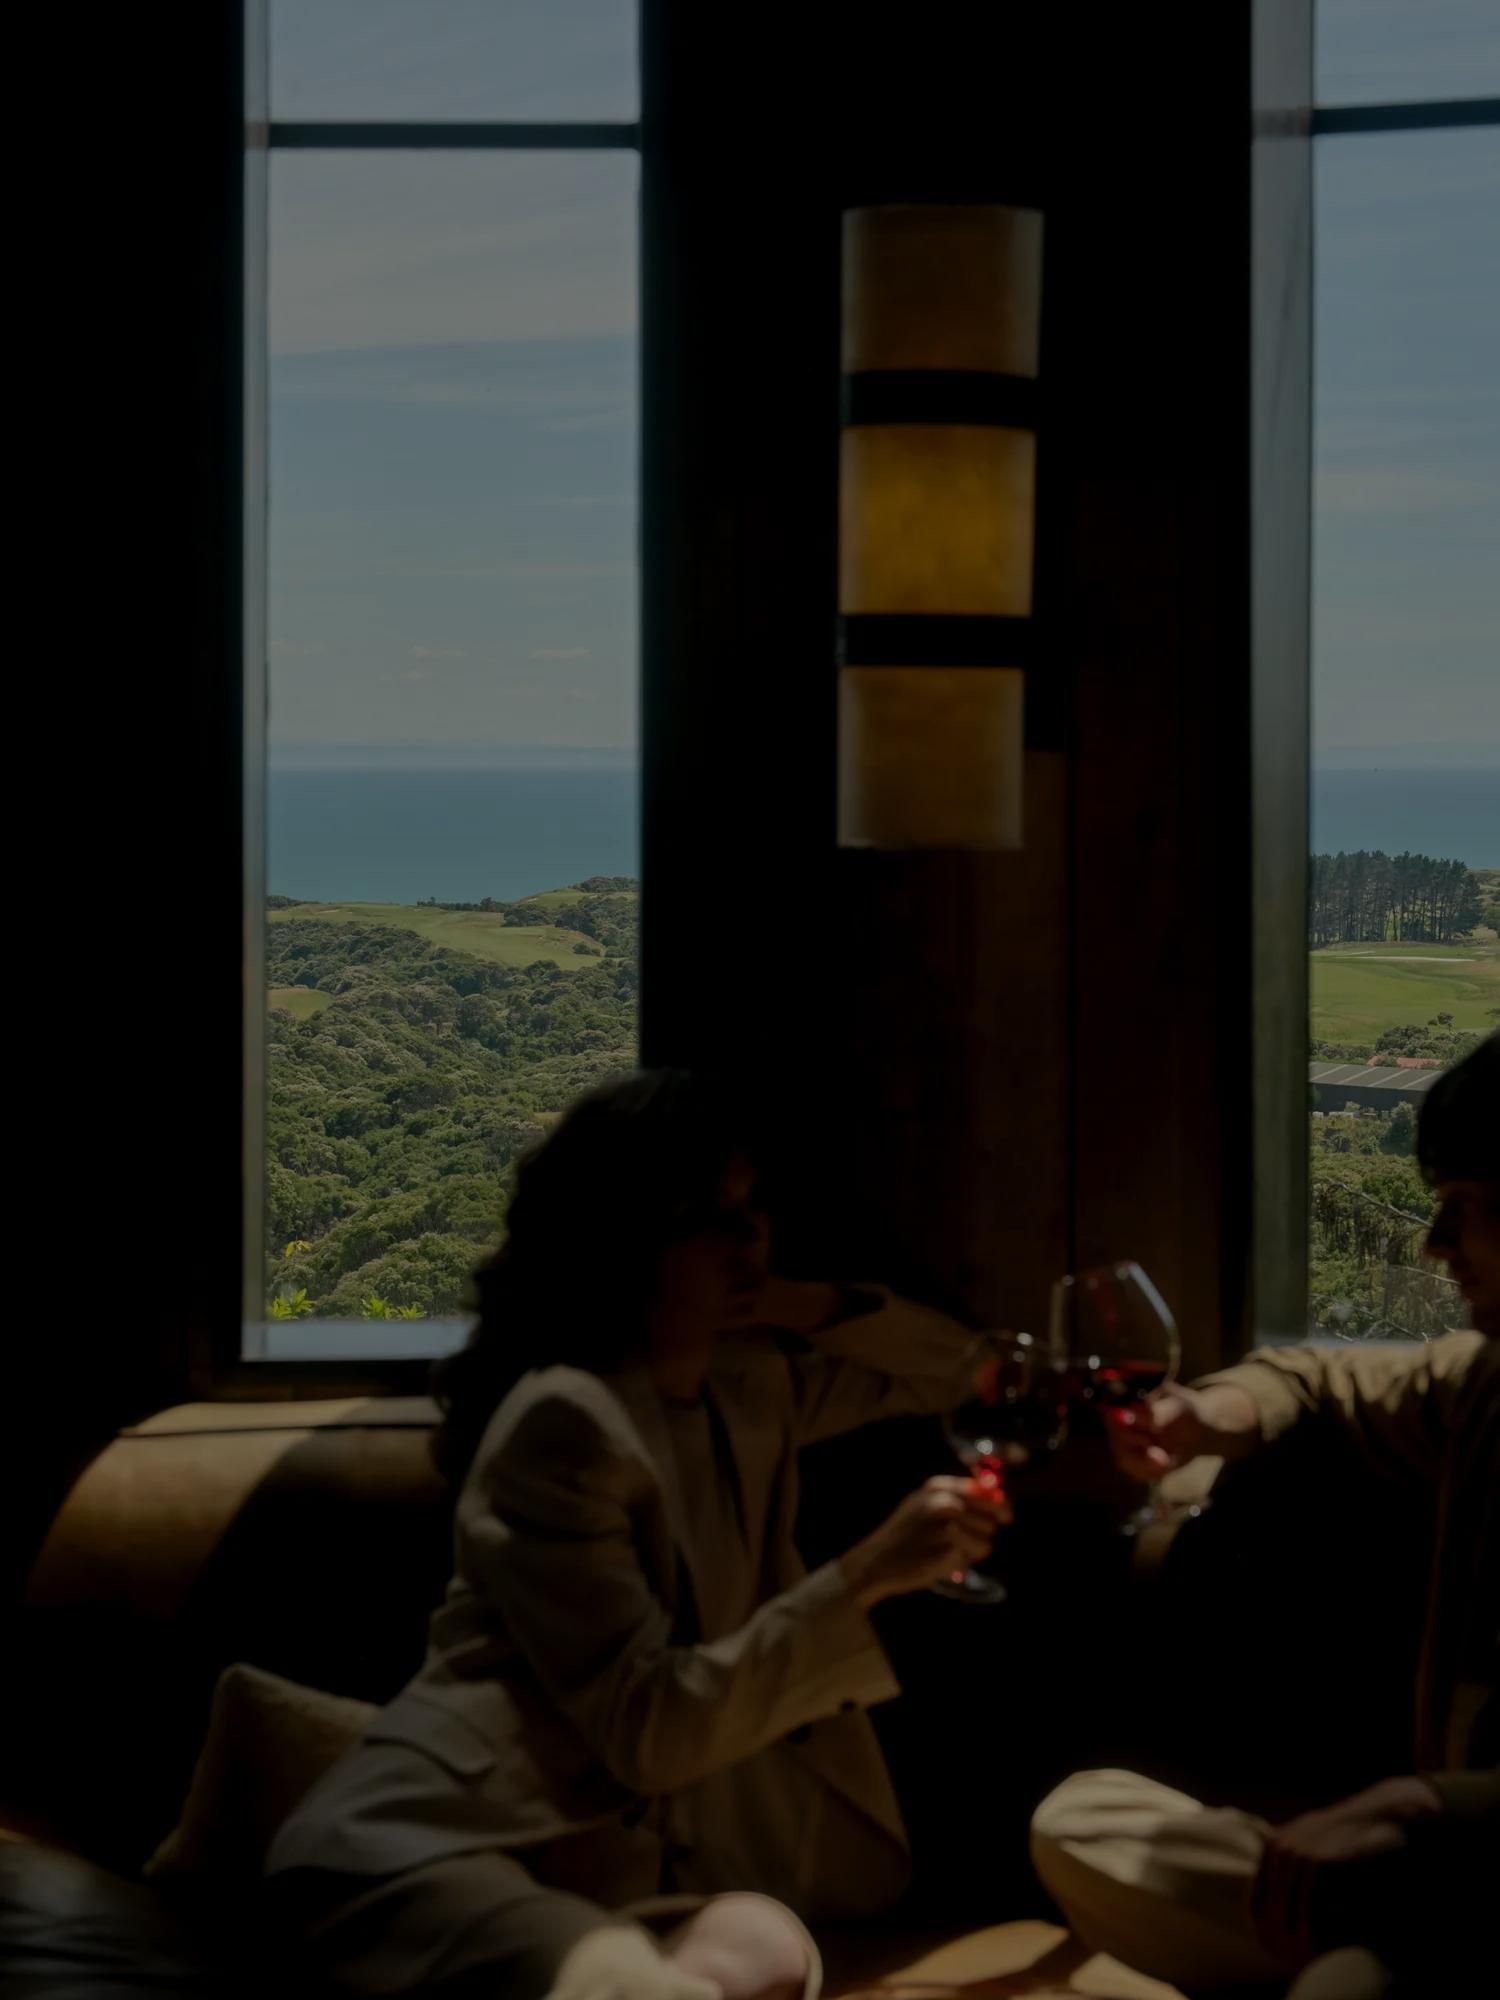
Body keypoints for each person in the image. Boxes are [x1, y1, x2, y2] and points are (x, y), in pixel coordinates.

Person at [266, 1069, 1003, 2000]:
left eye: (749, 1209)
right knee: (618, 1979)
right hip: (431, 1848)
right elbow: (646, 1732)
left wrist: (790, 1302)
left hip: (603, 1862)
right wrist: (862, 1578)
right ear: (623, 1242)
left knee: (772, 1951)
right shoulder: (566, 1424)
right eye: (705, 1216)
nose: (746, 1237)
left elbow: (972, 1375)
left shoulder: (749, 1388)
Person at [1030, 1032, 1499, 1997]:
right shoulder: (1485, 1385)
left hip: (1462, 1856)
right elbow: (1319, 1375)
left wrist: (1425, 1809)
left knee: (1347, 1979)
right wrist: (1210, 1416)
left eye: (1463, 1210)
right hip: (1438, 1877)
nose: (1433, 1245)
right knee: (1082, 1821)